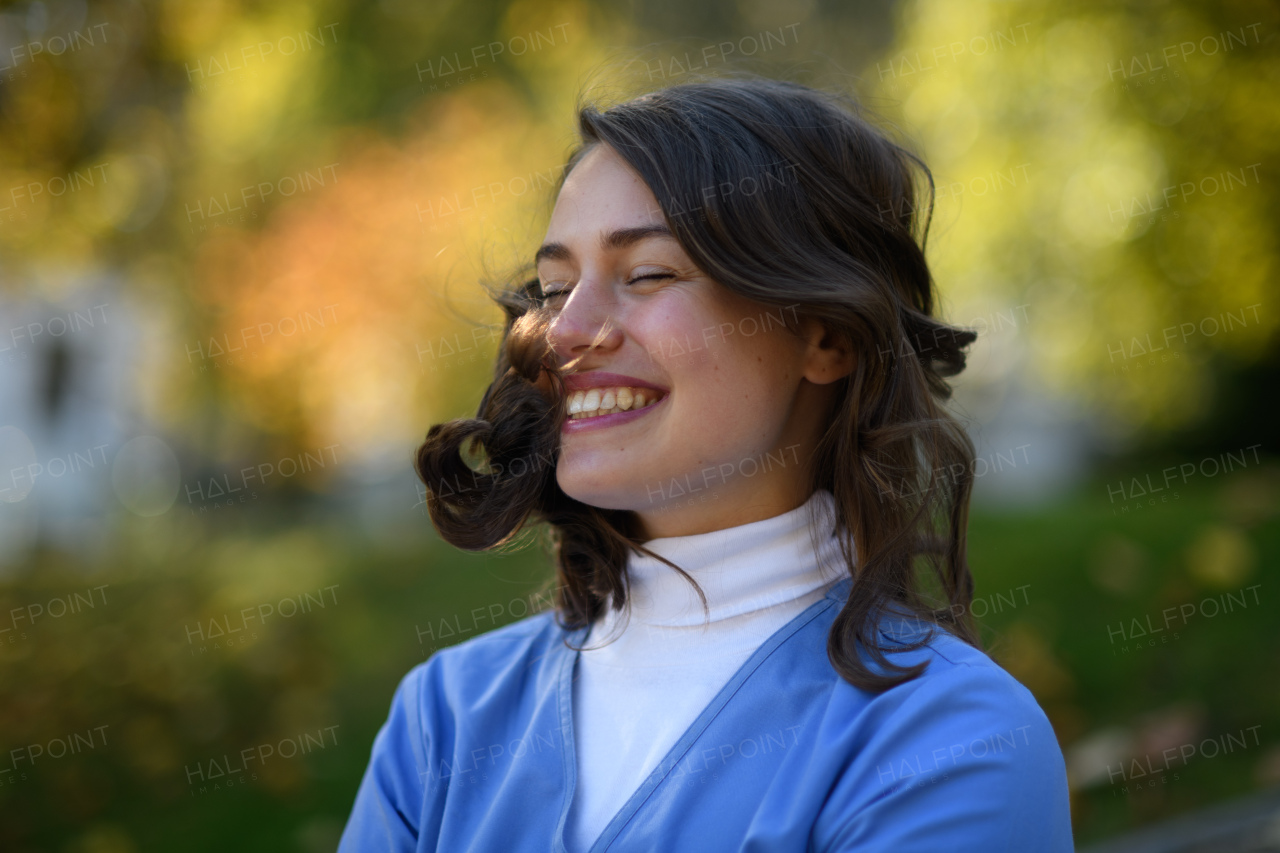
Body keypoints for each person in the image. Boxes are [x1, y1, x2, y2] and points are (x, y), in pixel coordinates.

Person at [338, 73, 1075, 851]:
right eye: (555, 288)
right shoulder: (447, 721)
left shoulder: (950, 743)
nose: (563, 331)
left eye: (648, 274)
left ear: (826, 334)